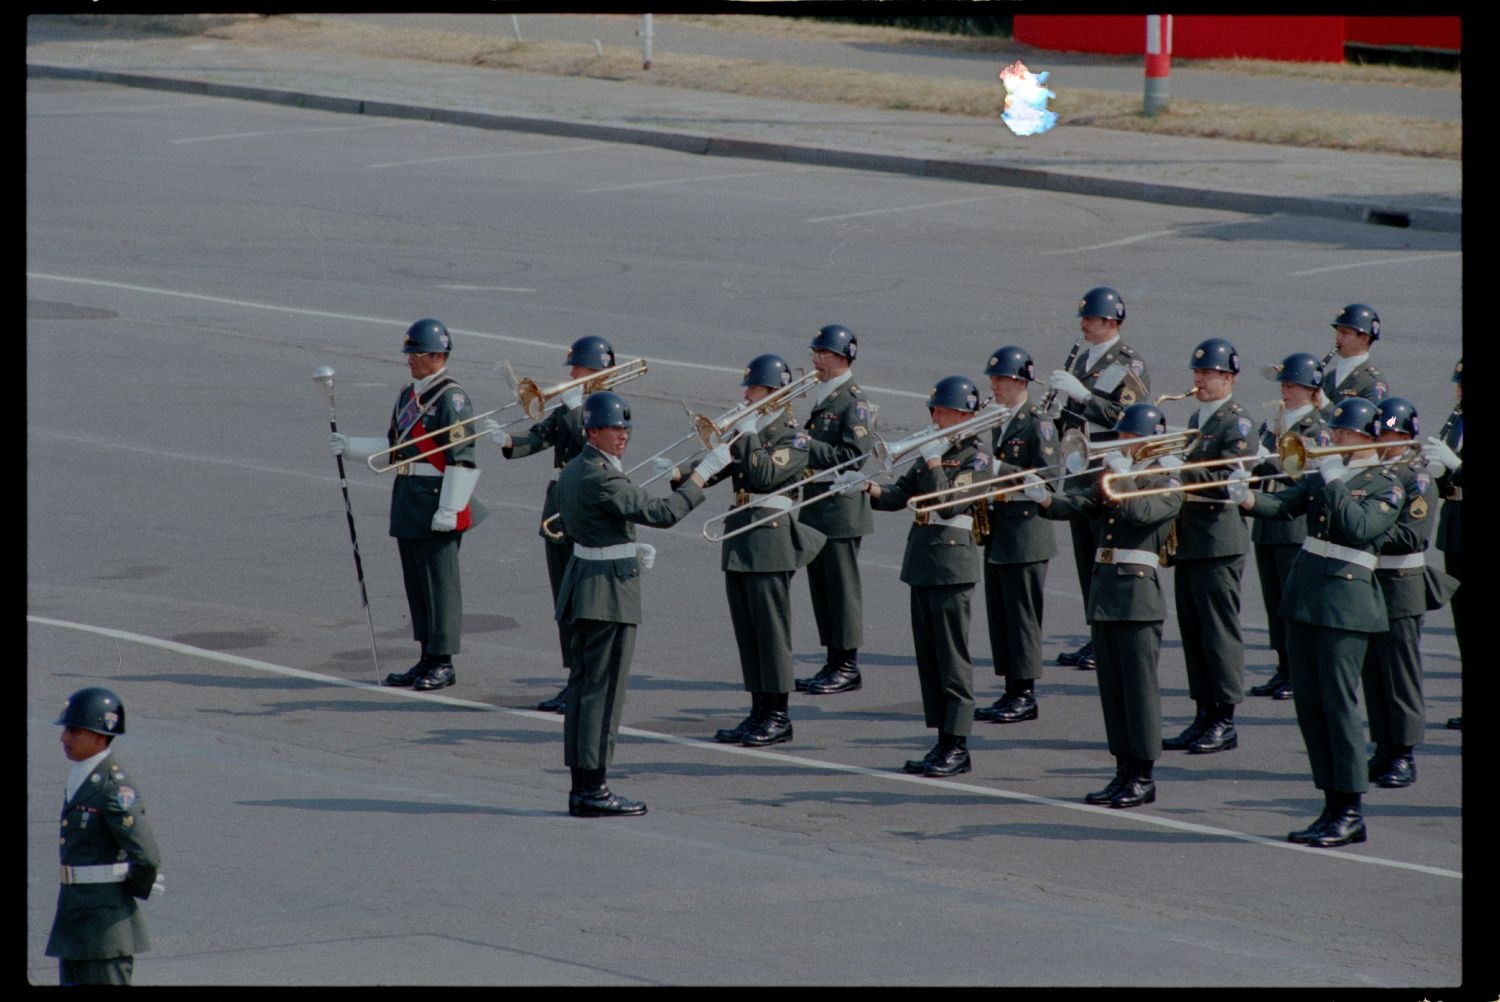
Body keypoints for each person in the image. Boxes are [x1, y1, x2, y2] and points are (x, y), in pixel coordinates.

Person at [1230, 397, 1405, 847]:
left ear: (1366, 437)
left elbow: (1357, 528)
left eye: (1344, 433)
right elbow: (1285, 507)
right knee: (1311, 709)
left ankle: (1350, 810)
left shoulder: (1386, 484)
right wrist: (1247, 497)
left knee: (1339, 709)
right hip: (1306, 599)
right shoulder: (1330, 474)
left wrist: (1333, 483)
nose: (1336, 438)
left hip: (1345, 608)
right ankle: (1329, 805)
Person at [553, 390, 718, 817]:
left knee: (585, 689)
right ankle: (593, 788)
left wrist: (627, 547)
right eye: (614, 429)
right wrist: (700, 479)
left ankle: (582, 786)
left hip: (588, 583)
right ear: (592, 431)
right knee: (602, 694)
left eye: (625, 428)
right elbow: (662, 513)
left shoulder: (577, 469)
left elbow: (599, 524)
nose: (622, 435)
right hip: (606, 594)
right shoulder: (602, 476)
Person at [1035, 404, 1182, 808]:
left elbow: (1138, 513)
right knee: (1113, 691)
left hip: (1138, 597)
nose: (1120, 444)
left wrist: (1124, 474)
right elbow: (1085, 505)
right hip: (1106, 593)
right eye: (1119, 438)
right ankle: (1122, 770)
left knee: (1138, 690)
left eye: (1127, 437)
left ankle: (1143, 775)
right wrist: (1047, 501)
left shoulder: (1166, 480)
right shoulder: (1119, 476)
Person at [329, 318, 486, 691]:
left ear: (439, 355)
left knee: (439, 583)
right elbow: (396, 450)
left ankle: (444, 661)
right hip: (410, 498)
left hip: (437, 498)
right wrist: (352, 447)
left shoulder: (452, 398)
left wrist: (450, 508)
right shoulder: (407, 395)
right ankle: (426, 655)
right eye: (410, 353)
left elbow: (462, 457)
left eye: (419, 354)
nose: (411, 360)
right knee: (417, 584)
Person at [863, 376, 995, 777]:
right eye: (934, 411)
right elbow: (898, 495)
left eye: (942, 412)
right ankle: (941, 740)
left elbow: (949, 505)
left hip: (952, 567)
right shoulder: (931, 452)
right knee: (930, 660)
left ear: (964, 416)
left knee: (952, 660)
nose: (935, 418)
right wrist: (864, 488)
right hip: (922, 564)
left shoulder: (978, 459)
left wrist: (935, 461)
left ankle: (958, 745)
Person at [694, 355, 825, 747]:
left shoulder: (794, 437)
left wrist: (746, 433)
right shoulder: (746, 432)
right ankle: (758, 711)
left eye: (753, 389)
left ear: (774, 395)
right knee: (749, 634)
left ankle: (778, 715)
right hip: (742, 537)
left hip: (769, 540)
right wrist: (686, 474)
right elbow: (724, 468)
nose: (746, 394)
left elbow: (765, 474)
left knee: (770, 633)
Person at [484, 335, 617, 714]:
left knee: (581, 603)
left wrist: (576, 408)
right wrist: (507, 440)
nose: (572, 374)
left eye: (580, 368)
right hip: (558, 507)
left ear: (600, 372)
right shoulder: (571, 406)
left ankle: (587, 681)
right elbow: (541, 437)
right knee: (563, 602)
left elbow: (592, 443)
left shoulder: (607, 408)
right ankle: (574, 678)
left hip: (584, 511)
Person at [1047, 286, 1150, 672]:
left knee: (1102, 555)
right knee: (1084, 556)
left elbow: (1130, 417)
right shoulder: (1084, 359)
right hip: (1078, 467)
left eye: (1090, 319)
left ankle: (1104, 636)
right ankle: (1095, 633)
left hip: (1104, 467)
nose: (1084, 325)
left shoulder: (1127, 363)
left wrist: (1083, 396)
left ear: (1111, 322)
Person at [1160, 338, 1255, 755]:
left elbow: (1224, 481)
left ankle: (1225, 718)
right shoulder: (1201, 417)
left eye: (1207, 374)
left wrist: (1176, 475)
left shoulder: (1237, 423)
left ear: (1228, 378)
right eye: (1196, 373)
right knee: (1194, 632)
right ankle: (1203, 712)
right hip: (1192, 539)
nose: (1198, 380)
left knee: (1218, 632)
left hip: (1218, 540)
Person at [46, 687, 162, 986]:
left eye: (73, 730)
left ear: (99, 735)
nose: (64, 738)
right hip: (74, 921)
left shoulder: (113, 787)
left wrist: (121, 892)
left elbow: (146, 857)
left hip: (105, 928)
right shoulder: (82, 777)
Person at [973, 346, 1059, 724]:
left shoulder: (1037, 424)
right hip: (1000, 532)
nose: (993, 385)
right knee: (1003, 615)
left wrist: (998, 467)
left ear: (1020, 381)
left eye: (1000, 379)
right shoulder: (1000, 420)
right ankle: (1011, 689)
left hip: (1025, 533)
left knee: (1022, 618)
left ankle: (1024, 694)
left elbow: (1051, 478)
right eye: (992, 378)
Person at [793, 325, 876, 696]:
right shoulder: (826, 394)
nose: (815, 360)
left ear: (842, 359)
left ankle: (847, 665)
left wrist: (806, 444)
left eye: (822, 354)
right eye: (815, 352)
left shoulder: (852, 400)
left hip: (839, 511)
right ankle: (833, 662)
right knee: (823, 590)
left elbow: (854, 455)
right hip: (818, 507)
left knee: (841, 592)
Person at [1361, 398, 1439, 788]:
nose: (1383, 440)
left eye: (1391, 434)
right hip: (1372, 584)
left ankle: (1404, 752)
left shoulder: (1417, 479)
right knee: (1374, 673)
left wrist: (1366, 529)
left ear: (1407, 437)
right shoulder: (1375, 472)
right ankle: (1383, 745)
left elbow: (1413, 535)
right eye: (1380, 433)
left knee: (1400, 673)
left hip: (1401, 587)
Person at [1246, 352, 1331, 701]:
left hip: (1293, 523)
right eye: (1284, 384)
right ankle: (1283, 667)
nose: (1285, 391)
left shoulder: (1317, 427)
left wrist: (1267, 459)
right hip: (1267, 521)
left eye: (1292, 385)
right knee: (1274, 600)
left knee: (1293, 600)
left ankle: (1298, 671)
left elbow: (1301, 470)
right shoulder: (1276, 421)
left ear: (1311, 389)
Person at [1423, 359, 1463, 730]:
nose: (1460, 392)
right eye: (1459, 384)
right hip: (1456, 528)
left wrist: (1458, 465)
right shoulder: (1457, 422)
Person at [1318, 304, 1389, 417]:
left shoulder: (1373, 383)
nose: (1338, 337)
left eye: (1345, 333)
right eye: (1338, 332)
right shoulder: (1329, 377)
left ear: (1364, 338)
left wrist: (1323, 403)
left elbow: (1367, 423)